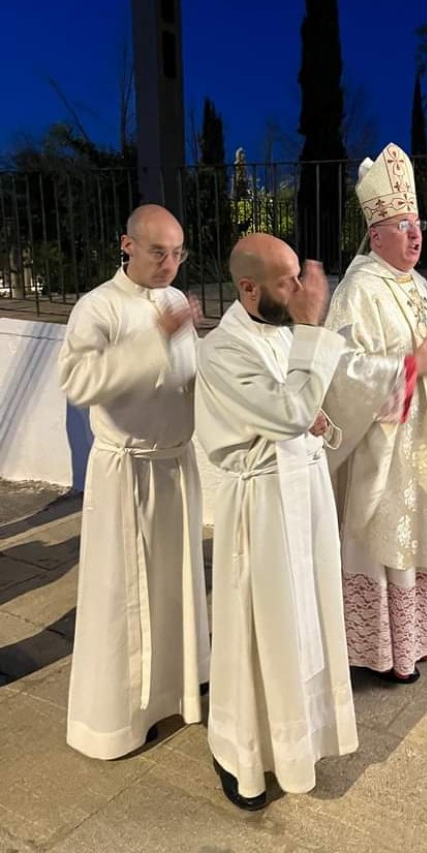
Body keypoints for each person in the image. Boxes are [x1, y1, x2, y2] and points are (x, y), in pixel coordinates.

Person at [195, 233, 358, 811]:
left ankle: (299, 739)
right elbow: (287, 410)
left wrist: (318, 420)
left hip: (303, 493)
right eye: (286, 279)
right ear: (248, 287)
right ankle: (240, 753)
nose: (298, 288)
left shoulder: (285, 332)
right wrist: (314, 333)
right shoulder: (221, 350)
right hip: (261, 505)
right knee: (256, 629)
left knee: (305, 620)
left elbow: (298, 406)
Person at [58, 204, 210, 759]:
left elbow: (188, 375)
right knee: (124, 594)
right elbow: (77, 380)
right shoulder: (97, 306)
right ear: (127, 244)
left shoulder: (172, 300)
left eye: (178, 253)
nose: (170, 264)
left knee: (175, 583)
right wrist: (153, 340)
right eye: (157, 252)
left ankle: (176, 691)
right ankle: (118, 720)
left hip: (174, 466)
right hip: (127, 471)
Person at [323, 142, 427, 684]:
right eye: (403, 225)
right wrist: (409, 366)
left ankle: (414, 640)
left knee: (415, 538)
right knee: (385, 541)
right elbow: (341, 374)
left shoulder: (412, 283)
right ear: (376, 234)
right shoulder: (358, 290)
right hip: (384, 449)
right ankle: (384, 653)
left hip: (420, 444)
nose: (416, 235)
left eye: (418, 223)